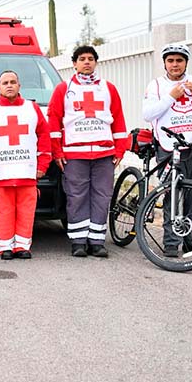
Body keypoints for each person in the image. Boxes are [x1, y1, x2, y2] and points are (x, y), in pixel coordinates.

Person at [47, 46, 128, 258]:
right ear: (74, 63)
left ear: (96, 63)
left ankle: (97, 241)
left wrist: (120, 149)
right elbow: (53, 121)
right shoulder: (63, 89)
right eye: (82, 59)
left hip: (104, 154)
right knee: (76, 197)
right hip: (74, 154)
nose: (86, 62)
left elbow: (118, 119)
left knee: (102, 196)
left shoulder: (108, 88)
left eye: (91, 59)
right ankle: (78, 241)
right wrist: (57, 152)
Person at [142, 43, 192, 257]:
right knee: (172, 194)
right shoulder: (157, 85)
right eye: (170, 60)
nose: (175, 64)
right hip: (170, 147)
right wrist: (170, 96)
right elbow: (148, 114)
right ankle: (170, 242)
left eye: (179, 60)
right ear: (165, 63)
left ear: (186, 62)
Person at [0, 71, 51, 259]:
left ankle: (23, 246)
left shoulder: (32, 108)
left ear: (19, 85)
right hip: (0, 174)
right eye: (5, 82)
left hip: (27, 173)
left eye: (13, 82)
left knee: (26, 211)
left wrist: (42, 165)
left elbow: (44, 137)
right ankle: (6, 247)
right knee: (4, 211)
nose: (9, 85)